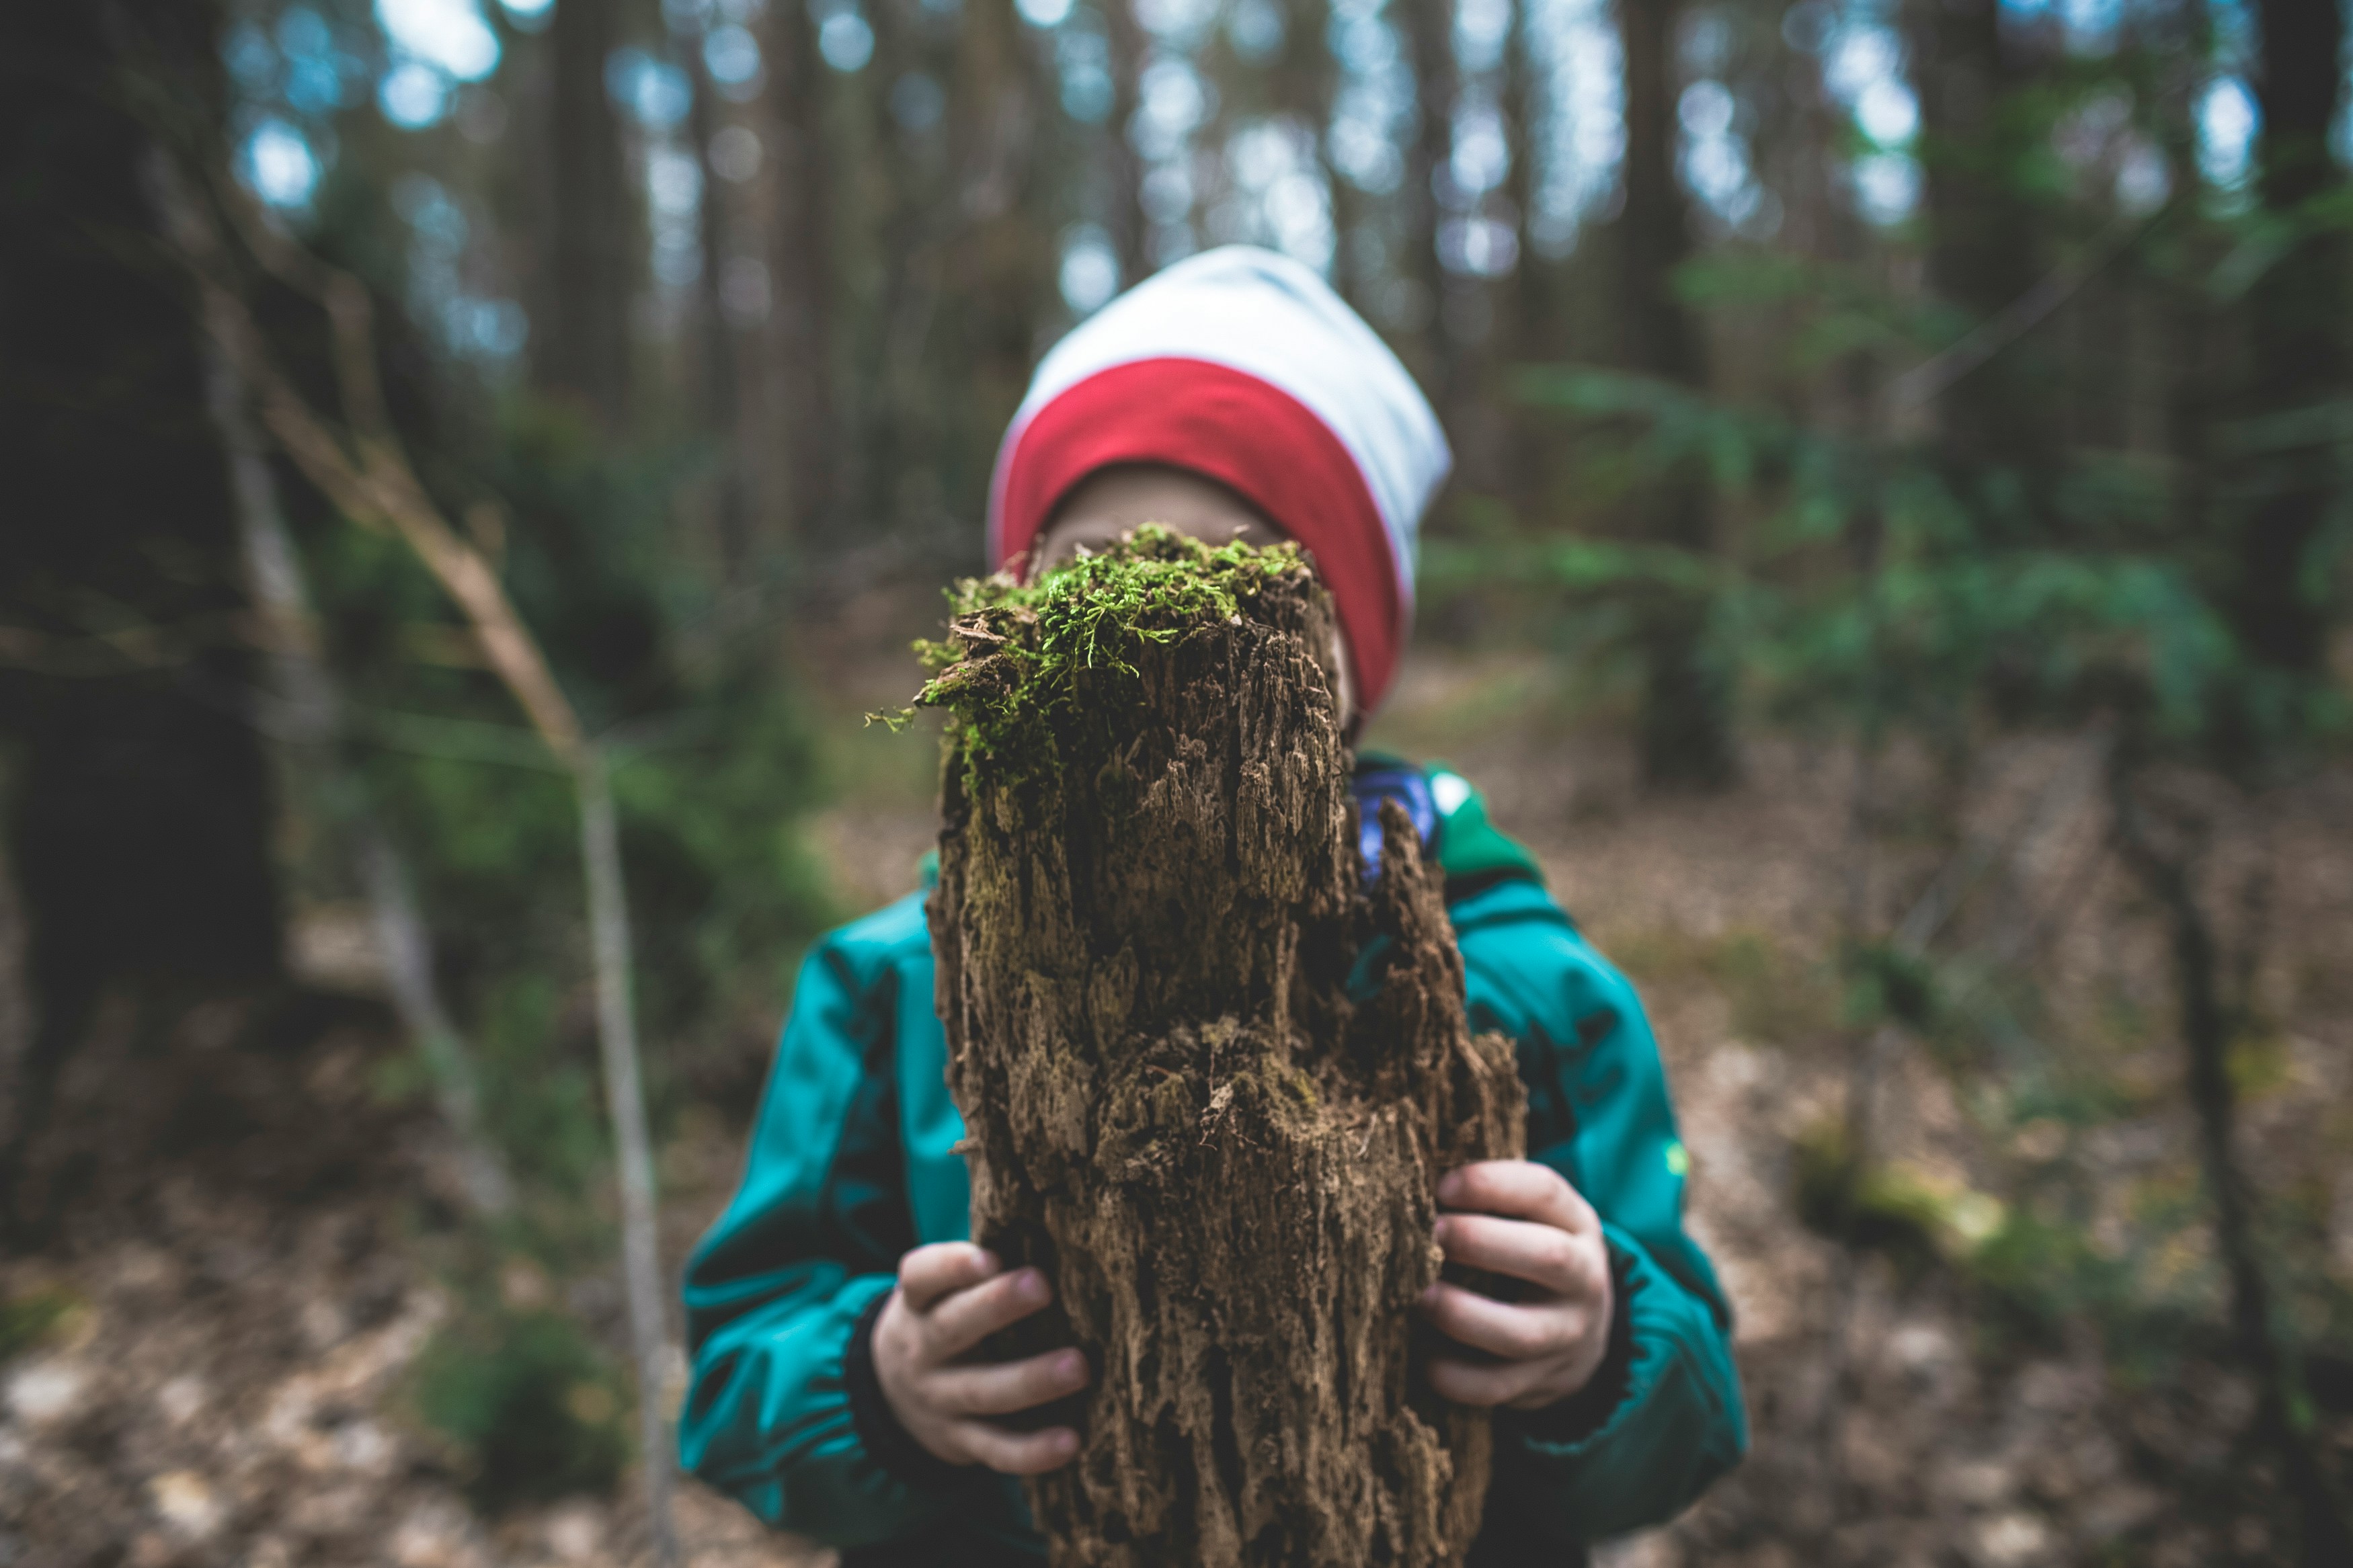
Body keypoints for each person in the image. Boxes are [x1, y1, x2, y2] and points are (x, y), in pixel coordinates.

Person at [680, 247, 1747, 1565]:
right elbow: (732, 1381)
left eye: (1251, 583)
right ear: (1008, 623)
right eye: (1097, 575)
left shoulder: (1525, 991)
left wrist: (1600, 1347)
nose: (1169, 634)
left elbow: (1694, 1418)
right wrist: (878, 1387)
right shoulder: (895, 992)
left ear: (1355, 659)